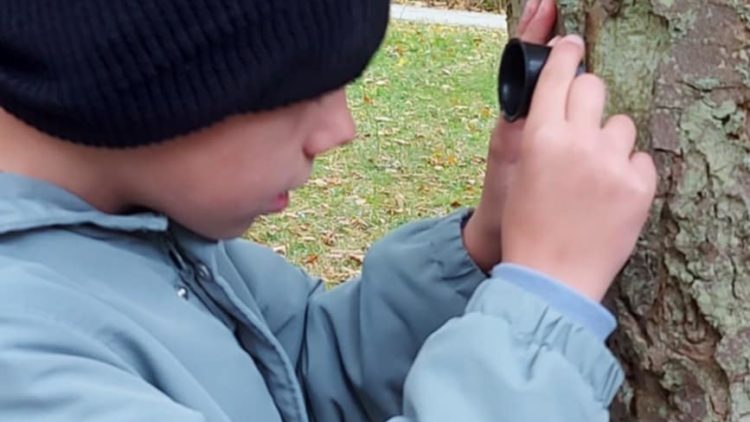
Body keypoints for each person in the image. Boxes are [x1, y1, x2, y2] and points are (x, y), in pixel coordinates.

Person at [0, 0, 656, 420]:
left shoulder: (124, 226)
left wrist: (487, 242)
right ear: (154, 84)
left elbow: (297, 372)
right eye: (303, 91)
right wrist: (541, 306)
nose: (339, 129)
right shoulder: (24, 371)